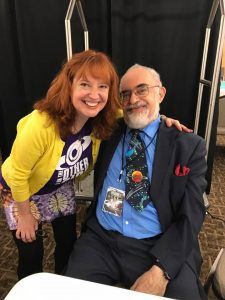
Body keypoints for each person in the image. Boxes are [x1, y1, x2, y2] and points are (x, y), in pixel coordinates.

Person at [0, 50, 187, 280]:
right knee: (31, 251)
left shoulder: (101, 118)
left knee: (68, 243)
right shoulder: (42, 124)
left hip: (59, 185)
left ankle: (63, 285)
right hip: (21, 191)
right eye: (85, 84)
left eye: (103, 87)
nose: (94, 95)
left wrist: (163, 121)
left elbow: (139, 112)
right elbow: (17, 173)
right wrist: (25, 214)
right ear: (69, 86)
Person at [64, 64, 208, 300]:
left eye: (142, 90)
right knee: (67, 293)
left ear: (160, 93)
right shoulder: (107, 129)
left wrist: (162, 270)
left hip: (156, 246)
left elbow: (191, 217)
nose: (133, 99)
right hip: (101, 240)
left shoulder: (188, 146)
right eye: (126, 94)